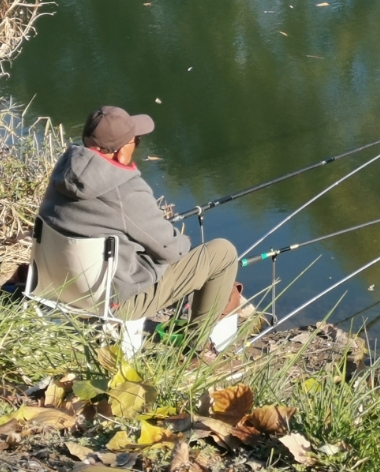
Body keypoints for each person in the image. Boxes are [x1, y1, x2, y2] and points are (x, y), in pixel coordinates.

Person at [38, 105, 239, 344]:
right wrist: (179, 241)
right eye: (136, 141)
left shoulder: (64, 170)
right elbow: (173, 250)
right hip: (113, 302)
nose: (137, 145)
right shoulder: (127, 190)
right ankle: (194, 349)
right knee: (222, 253)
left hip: (54, 286)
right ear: (121, 151)